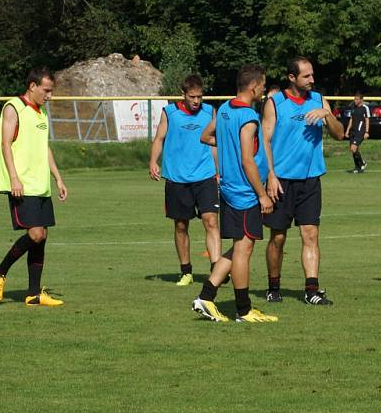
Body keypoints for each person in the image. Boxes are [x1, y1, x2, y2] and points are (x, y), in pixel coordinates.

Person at [191, 64, 277, 323]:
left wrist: (226, 144)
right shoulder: (249, 117)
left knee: (239, 247)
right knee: (244, 250)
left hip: (229, 189)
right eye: (263, 85)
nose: (264, 90)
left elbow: (205, 137)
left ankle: (206, 297)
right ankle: (244, 310)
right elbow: (247, 161)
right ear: (254, 87)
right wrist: (262, 195)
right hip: (244, 192)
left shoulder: (227, 108)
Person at [261, 56, 345, 305]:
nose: (312, 79)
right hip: (281, 181)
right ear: (291, 77)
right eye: (306, 76)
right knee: (278, 238)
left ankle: (312, 290)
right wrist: (271, 176)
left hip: (310, 181)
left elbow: (340, 134)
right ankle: (273, 287)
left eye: (312, 75)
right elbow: (265, 141)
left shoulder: (319, 100)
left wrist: (326, 115)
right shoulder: (275, 103)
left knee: (311, 236)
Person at [0, 67, 68, 307]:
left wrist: (57, 178)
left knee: (41, 238)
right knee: (36, 234)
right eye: (46, 90)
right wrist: (14, 177)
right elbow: (4, 144)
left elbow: (44, 148)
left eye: (51, 91)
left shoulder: (41, 112)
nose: (49, 96)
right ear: (32, 86)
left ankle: (34, 294)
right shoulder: (14, 107)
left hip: (40, 184)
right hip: (21, 184)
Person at [148, 74, 220, 286]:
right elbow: (159, 139)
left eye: (199, 96)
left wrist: (218, 171)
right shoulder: (169, 113)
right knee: (181, 226)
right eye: (192, 97)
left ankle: (216, 269)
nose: (196, 101)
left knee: (211, 221)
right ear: (183, 95)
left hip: (205, 176)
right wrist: (153, 161)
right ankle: (186, 271)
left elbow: (214, 145)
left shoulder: (209, 112)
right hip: (177, 178)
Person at [345, 91, 370, 173]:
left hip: (360, 131)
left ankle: (362, 162)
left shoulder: (365, 108)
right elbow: (351, 119)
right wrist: (347, 130)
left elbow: (367, 120)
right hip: (353, 131)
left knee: (353, 147)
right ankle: (357, 167)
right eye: (354, 99)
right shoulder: (353, 108)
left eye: (357, 99)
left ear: (361, 100)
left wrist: (366, 132)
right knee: (353, 150)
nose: (355, 101)